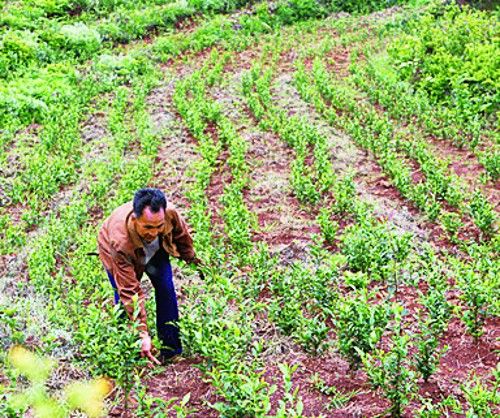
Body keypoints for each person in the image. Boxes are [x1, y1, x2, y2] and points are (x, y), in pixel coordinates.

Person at [97, 188, 200, 365]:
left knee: (166, 289)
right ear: (135, 219)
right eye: (148, 227)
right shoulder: (119, 241)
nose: (153, 233)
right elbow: (130, 292)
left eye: (159, 226)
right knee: (124, 302)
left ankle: (171, 350)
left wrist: (192, 259)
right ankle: (131, 353)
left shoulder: (169, 213)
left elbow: (182, 237)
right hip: (117, 254)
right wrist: (142, 332)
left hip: (155, 252)